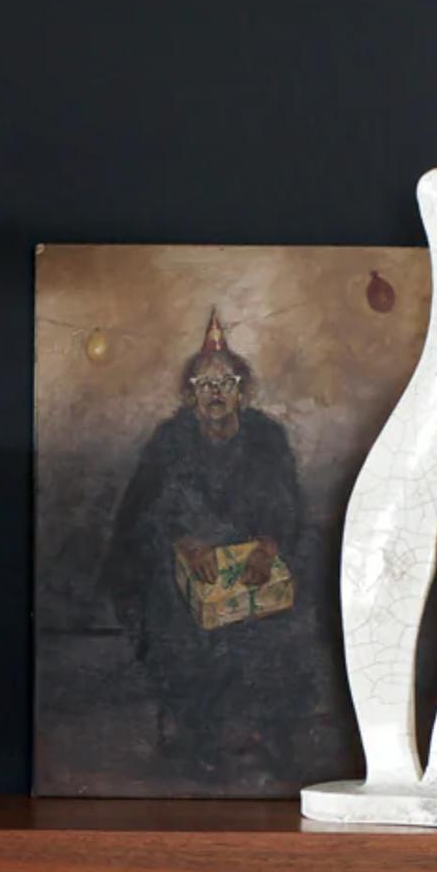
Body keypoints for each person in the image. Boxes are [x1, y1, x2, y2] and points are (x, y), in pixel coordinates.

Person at [104, 309, 304, 783]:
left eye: (225, 382)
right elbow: (143, 511)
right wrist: (182, 546)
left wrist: (267, 548)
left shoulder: (267, 438)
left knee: (285, 619)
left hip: (254, 559)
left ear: (243, 390)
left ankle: (266, 729)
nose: (215, 392)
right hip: (181, 563)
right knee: (180, 626)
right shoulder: (169, 440)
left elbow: (289, 505)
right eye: (204, 383)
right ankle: (201, 734)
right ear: (190, 392)